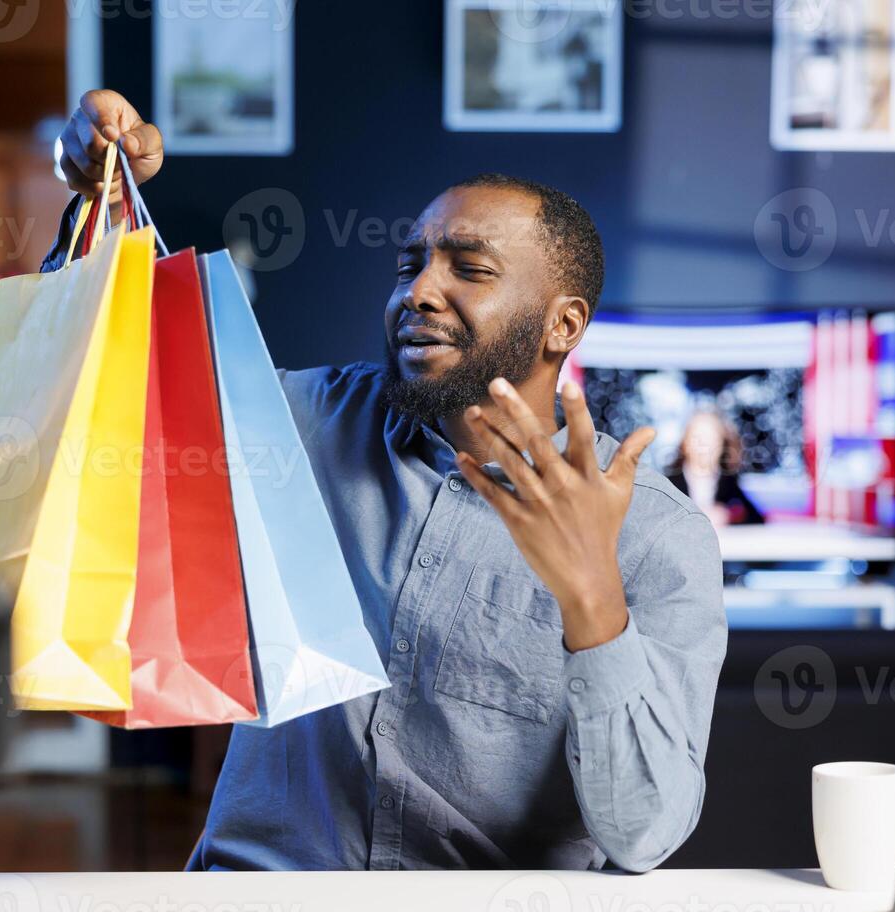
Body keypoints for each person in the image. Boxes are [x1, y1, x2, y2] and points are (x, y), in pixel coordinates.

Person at [47, 90, 726, 872]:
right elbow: (100, 405)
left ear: (563, 324)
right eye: (410, 264)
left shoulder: (656, 537)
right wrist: (94, 210)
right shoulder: (299, 426)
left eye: (468, 268)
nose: (419, 291)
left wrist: (592, 601)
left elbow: (644, 834)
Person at [667, 408, 765, 529]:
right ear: (685, 443)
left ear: (722, 443)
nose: (704, 444)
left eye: (710, 437)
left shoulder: (729, 482)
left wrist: (728, 516)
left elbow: (756, 520)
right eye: (697, 436)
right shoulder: (667, 483)